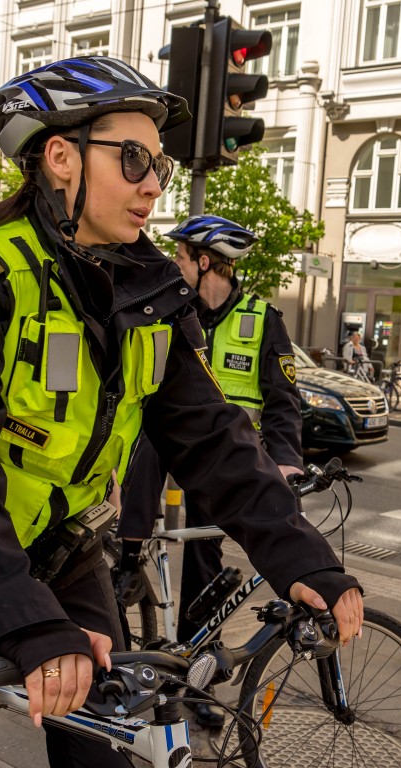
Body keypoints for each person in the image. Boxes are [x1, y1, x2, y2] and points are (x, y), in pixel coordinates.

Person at [0, 56, 364, 768]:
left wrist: (303, 559)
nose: (154, 185)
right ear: (61, 157)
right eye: (133, 160)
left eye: (159, 165)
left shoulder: (151, 292)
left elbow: (213, 437)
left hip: (66, 551)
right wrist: (24, 621)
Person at [115, 214, 304, 729]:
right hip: (165, 442)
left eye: (179, 256)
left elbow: (283, 399)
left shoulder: (262, 319)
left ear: (203, 262)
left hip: (221, 456)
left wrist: (286, 461)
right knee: (150, 445)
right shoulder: (169, 309)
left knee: (204, 563)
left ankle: (194, 675)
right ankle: (128, 560)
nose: (173, 263)